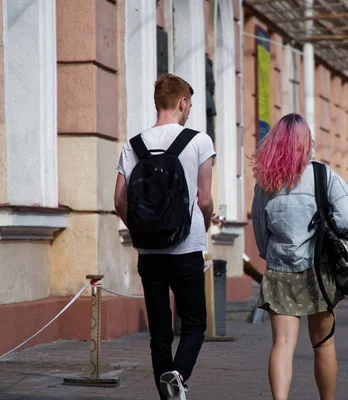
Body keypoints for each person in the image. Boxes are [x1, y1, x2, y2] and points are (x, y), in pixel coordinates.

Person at [114, 74, 215, 400]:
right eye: (189, 105)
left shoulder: (134, 144)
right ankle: (180, 375)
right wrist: (207, 223)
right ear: (183, 103)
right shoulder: (200, 141)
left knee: (159, 334)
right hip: (186, 247)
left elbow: (119, 200)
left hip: (149, 251)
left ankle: (168, 395)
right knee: (194, 324)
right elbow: (203, 198)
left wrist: (141, 230)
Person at [251, 114, 348, 400]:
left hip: (280, 270)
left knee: (283, 345)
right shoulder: (323, 175)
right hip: (320, 270)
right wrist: (336, 225)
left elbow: (260, 230)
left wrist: (270, 255)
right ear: (306, 142)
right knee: (323, 343)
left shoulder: (267, 182)